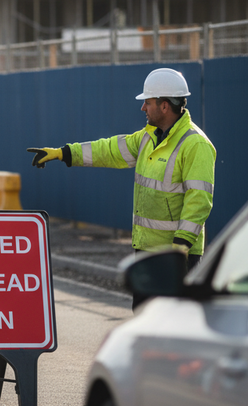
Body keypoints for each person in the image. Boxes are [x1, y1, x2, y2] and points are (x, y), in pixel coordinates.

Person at [27, 67, 216, 309]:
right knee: (144, 317)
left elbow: (199, 200)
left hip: (176, 255)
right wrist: (64, 153)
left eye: (147, 102)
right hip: (147, 251)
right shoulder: (148, 137)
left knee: (173, 323)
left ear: (164, 106)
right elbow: (109, 150)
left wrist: (181, 245)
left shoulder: (196, 144)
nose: (143, 108)